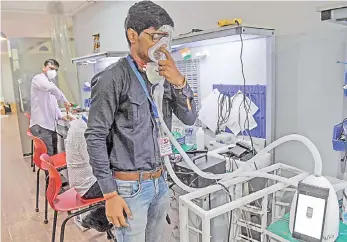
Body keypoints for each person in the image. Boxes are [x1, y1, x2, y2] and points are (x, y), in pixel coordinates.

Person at [85, 1, 197, 242]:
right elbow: (94, 137)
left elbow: (189, 118)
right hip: (128, 189)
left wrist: (180, 81)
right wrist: (109, 195)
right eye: (156, 36)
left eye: (167, 37)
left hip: (160, 181)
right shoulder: (112, 79)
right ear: (132, 35)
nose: (162, 44)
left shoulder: (163, 76)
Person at [65, 118, 112, 232]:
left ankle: (103, 213)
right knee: (126, 187)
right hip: (87, 187)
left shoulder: (79, 124)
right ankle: (95, 218)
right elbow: (97, 164)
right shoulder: (82, 133)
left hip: (83, 181)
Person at [30, 59, 72, 155]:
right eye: (51, 68)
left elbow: (53, 103)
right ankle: (51, 170)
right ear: (44, 68)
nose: (53, 72)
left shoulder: (49, 83)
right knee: (49, 156)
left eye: (56, 70)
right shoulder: (38, 79)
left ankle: (53, 170)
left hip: (49, 125)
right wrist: (65, 100)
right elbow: (52, 89)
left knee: (53, 153)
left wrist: (61, 116)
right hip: (41, 125)